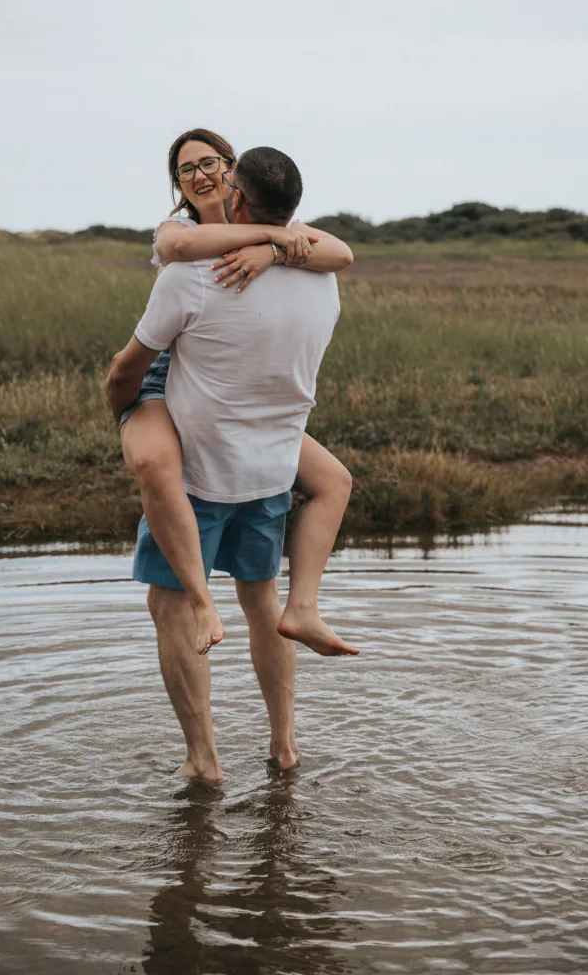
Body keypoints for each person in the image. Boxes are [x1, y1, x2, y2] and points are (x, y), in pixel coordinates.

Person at [106, 147, 357, 780]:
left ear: (235, 187)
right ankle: (284, 746)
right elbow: (336, 253)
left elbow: (127, 370)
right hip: (268, 459)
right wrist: (280, 243)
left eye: (215, 163)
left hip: (207, 453)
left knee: (172, 604)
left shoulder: (197, 274)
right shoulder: (314, 273)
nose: (203, 174)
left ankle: (204, 759)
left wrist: (122, 409)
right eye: (188, 168)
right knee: (262, 598)